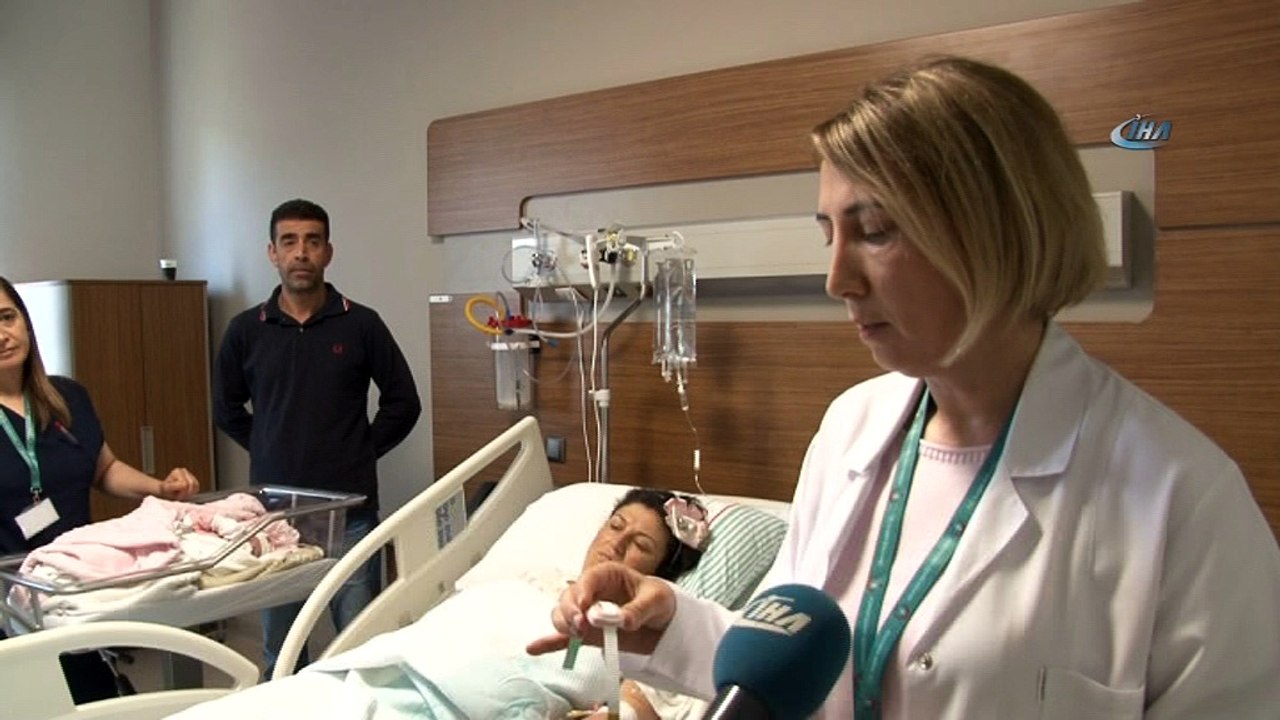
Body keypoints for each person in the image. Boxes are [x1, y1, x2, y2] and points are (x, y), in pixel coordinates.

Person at [529, 56, 1280, 718]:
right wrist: (675, 624)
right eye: (830, 234)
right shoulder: (851, 429)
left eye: (877, 230)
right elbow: (809, 651)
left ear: (998, 228)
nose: (837, 280)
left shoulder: (1184, 500)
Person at [168, 488, 710, 720]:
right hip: (373, 679)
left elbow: (643, 707)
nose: (615, 543)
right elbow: (449, 627)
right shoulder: (525, 579)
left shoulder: (649, 638)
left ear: (660, 574)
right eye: (615, 525)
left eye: (639, 544)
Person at [213, 198, 422, 676]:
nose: (301, 252)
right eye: (289, 242)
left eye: (312, 241)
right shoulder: (246, 331)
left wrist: (360, 450)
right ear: (273, 252)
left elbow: (403, 402)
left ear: (328, 251)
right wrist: (267, 443)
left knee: (360, 647)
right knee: (281, 653)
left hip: (349, 513)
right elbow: (225, 409)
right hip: (277, 519)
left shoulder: (361, 324)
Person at [0, 275, 200, 702]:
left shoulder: (65, 397)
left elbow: (103, 468)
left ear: (24, 321)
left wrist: (159, 488)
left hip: (72, 592)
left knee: (92, 700)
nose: (2, 335)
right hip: (9, 603)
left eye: (7, 317)